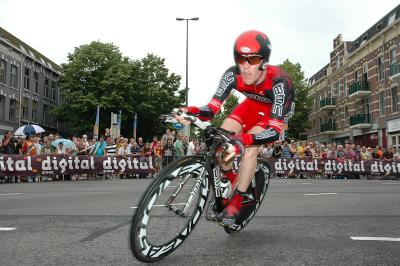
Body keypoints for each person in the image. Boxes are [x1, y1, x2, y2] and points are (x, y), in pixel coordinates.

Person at [175, 30, 294, 226]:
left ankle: (238, 200)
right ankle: (231, 177)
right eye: (241, 58)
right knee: (222, 139)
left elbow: (273, 131)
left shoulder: (279, 82)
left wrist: (244, 140)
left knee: (249, 150)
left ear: (264, 61)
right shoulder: (232, 74)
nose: (245, 67)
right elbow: (211, 109)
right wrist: (190, 111)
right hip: (252, 105)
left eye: (253, 60)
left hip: (274, 112)